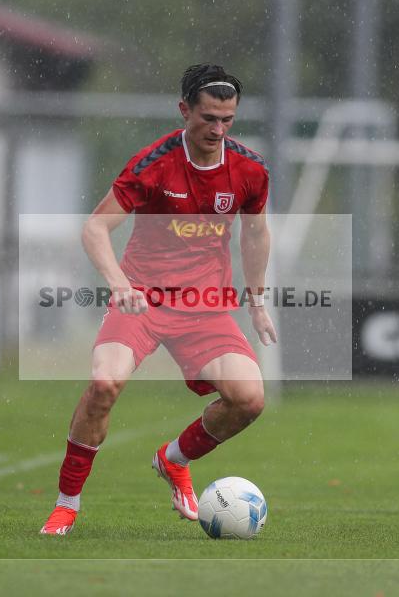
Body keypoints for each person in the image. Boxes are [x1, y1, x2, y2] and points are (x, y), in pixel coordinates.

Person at [40, 63, 277, 535]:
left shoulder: (249, 169)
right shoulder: (153, 164)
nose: (218, 129)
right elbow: (95, 228)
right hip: (142, 301)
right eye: (208, 117)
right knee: (104, 384)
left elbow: (256, 234)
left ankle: (174, 459)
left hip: (205, 304)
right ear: (184, 109)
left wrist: (256, 301)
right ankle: (67, 503)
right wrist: (118, 283)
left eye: (227, 119)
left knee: (249, 400)